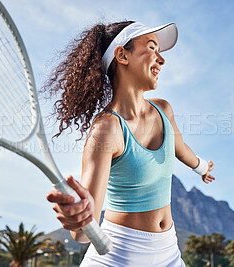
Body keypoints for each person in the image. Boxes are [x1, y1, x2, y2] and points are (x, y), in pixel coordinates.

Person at [44, 20, 215, 266]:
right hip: (118, 256)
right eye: (152, 47)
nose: (162, 59)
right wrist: (79, 218)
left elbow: (181, 150)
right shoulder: (106, 129)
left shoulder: (164, 110)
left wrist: (201, 167)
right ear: (122, 55)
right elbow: (82, 232)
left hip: (169, 254)